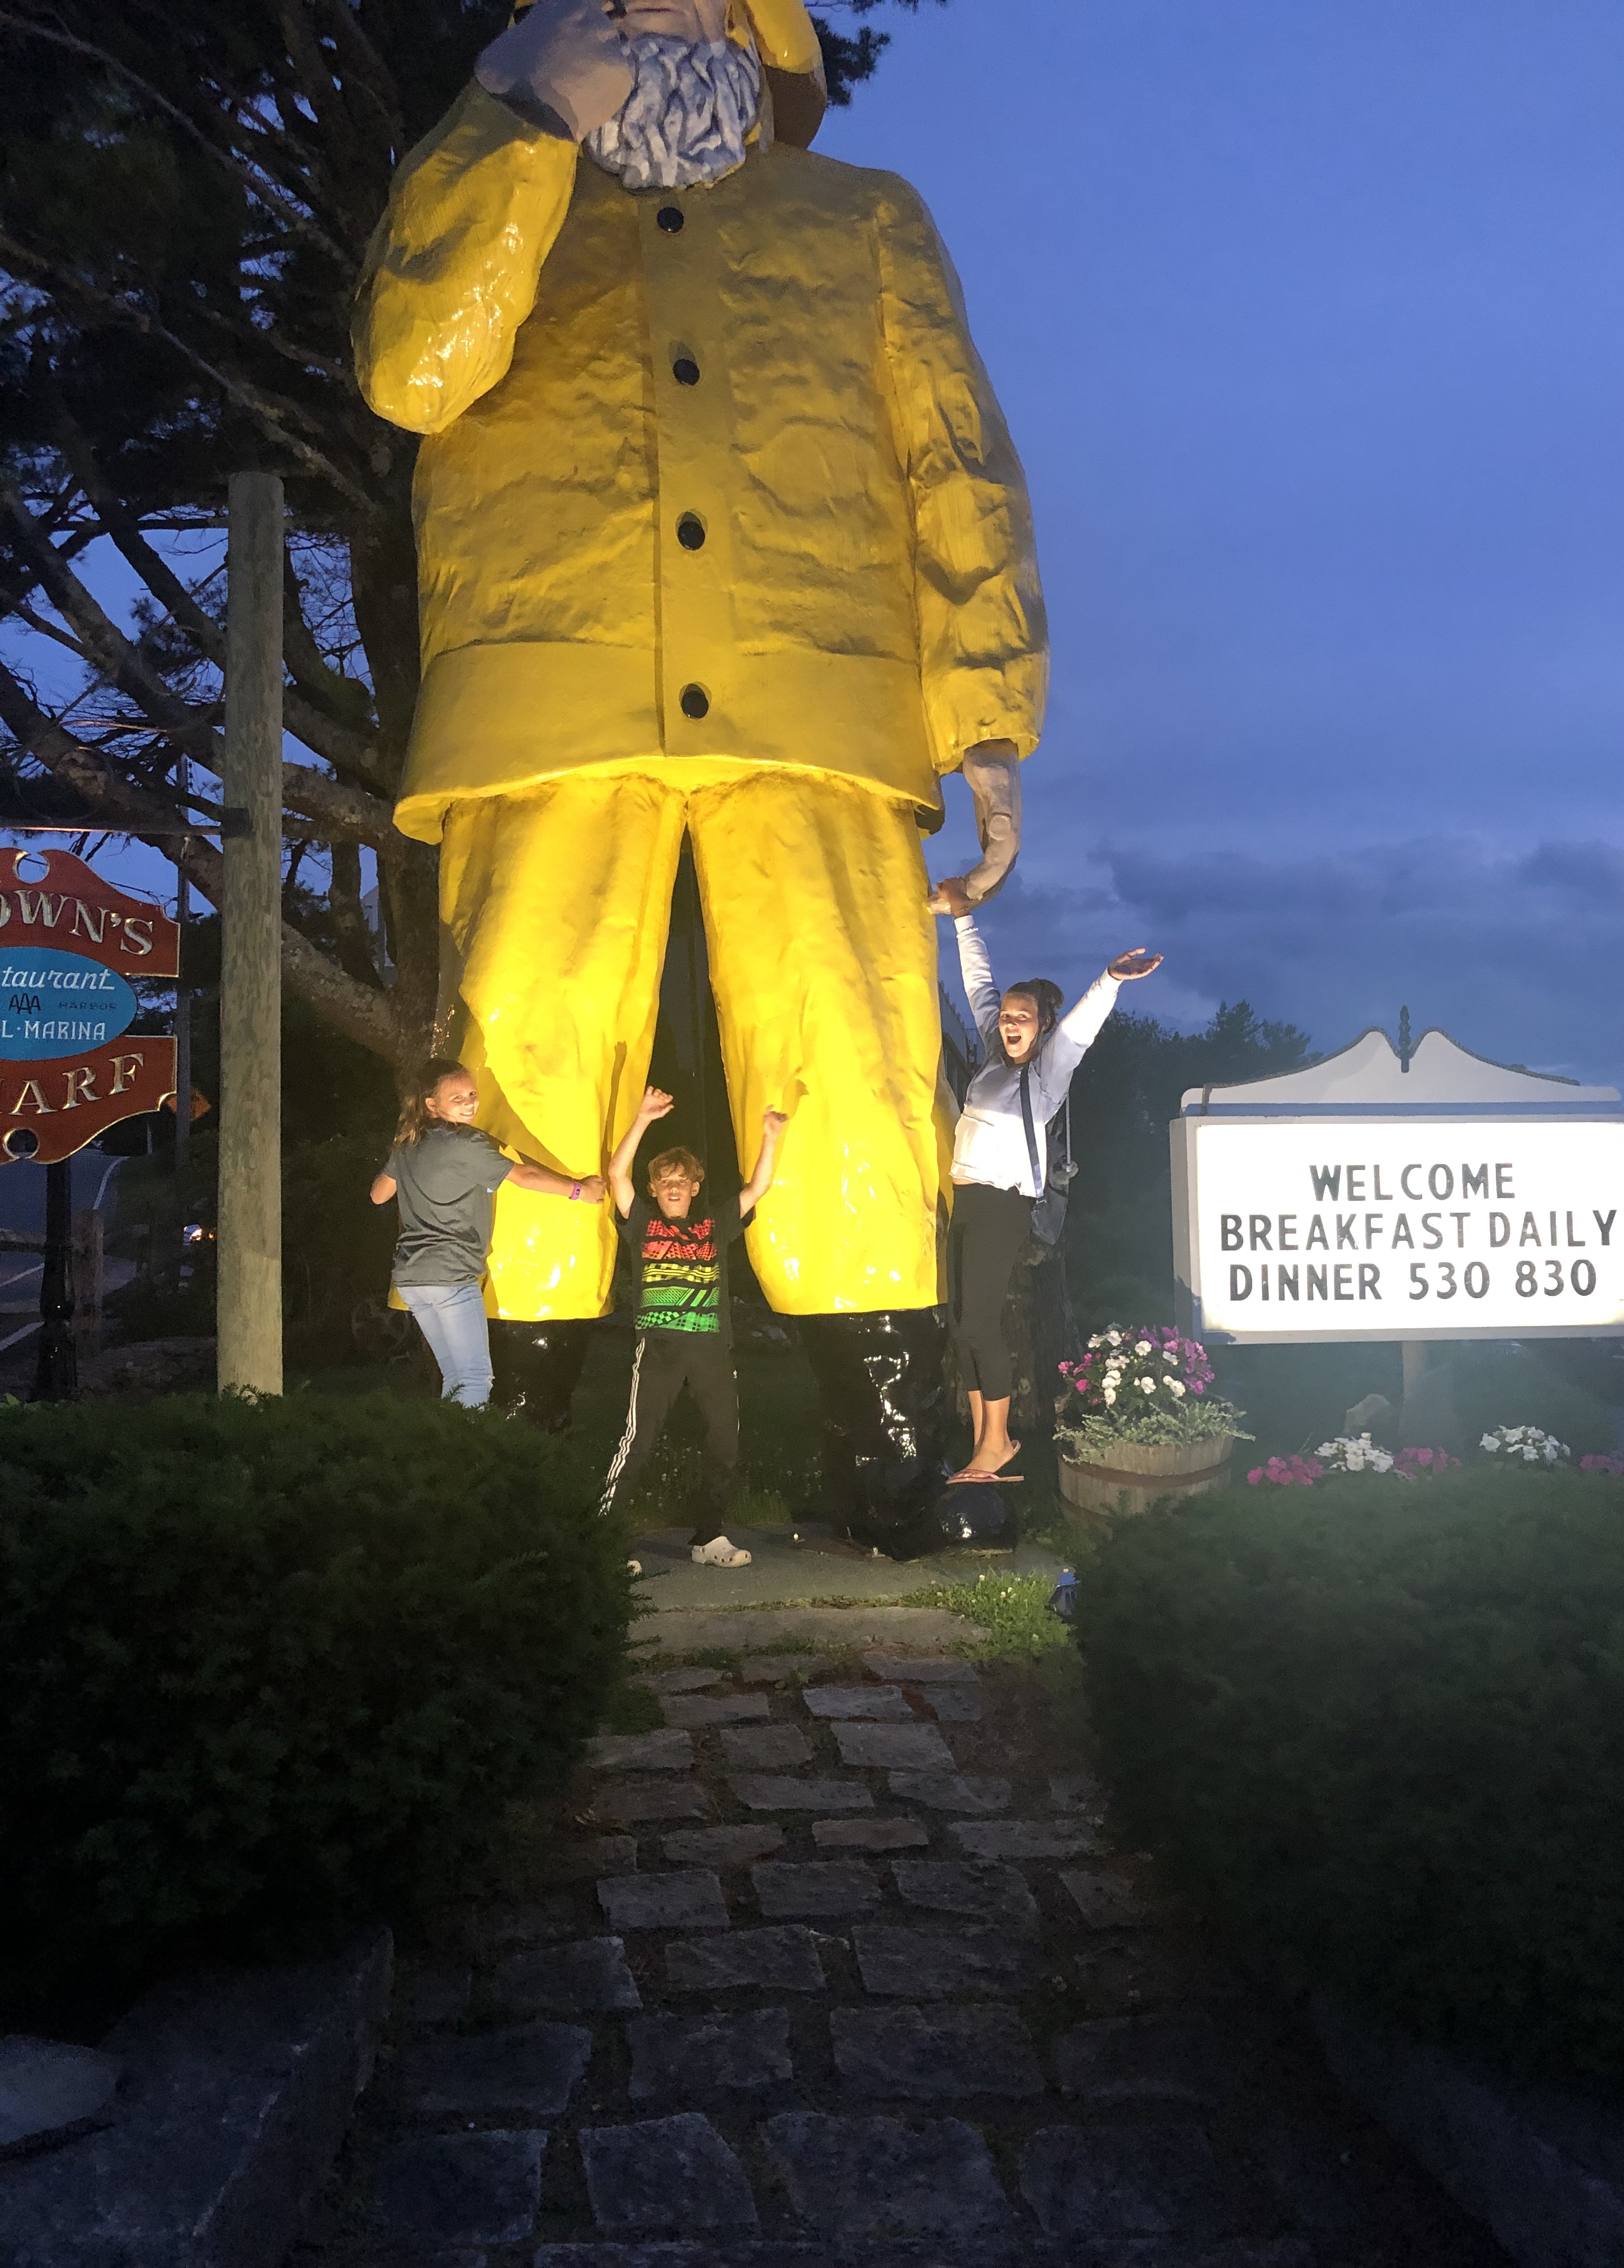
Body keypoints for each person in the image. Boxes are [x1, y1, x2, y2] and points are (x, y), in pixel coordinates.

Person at [351, 0, 1045, 1553]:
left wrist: (988, 717)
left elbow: (958, 463)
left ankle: (892, 1451)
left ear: (758, 29)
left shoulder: (866, 217)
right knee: (524, 1048)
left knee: (854, 1058)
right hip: (545, 688)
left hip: (827, 693)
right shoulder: (491, 173)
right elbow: (411, 371)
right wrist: (519, 119)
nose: (655, 7)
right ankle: (500, 1458)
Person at [935, 881, 1162, 1480]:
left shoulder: (1045, 1076)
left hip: (1003, 1204)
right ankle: (985, 1444)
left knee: (980, 1324)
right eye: (1008, 1017)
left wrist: (1109, 980)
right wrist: (962, 919)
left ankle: (999, 1442)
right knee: (962, 1326)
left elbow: (1080, 1031)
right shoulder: (993, 1057)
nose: (1011, 1023)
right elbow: (979, 985)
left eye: (1023, 1018)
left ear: (1041, 1027)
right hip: (967, 1200)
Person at [598, 1086, 786, 1566]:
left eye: (682, 1181)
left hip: (711, 1350)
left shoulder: (713, 1226)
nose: (674, 1188)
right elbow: (616, 1174)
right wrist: (643, 1118)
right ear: (654, 1190)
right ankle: (600, 1540)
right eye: (665, 1182)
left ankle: (708, 1538)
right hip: (660, 1349)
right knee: (638, 1442)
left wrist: (770, 1138)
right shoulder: (642, 1223)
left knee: (725, 1440)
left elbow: (757, 1189)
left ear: (695, 1188)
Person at [371, 1059, 605, 1407]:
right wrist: (580, 1191)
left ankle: (449, 1437)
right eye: (457, 1099)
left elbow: (379, 1195)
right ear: (431, 1104)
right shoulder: (466, 1143)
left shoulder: (408, 1144)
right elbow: (525, 1177)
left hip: (413, 1278)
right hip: (451, 1275)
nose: (469, 1104)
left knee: (455, 1377)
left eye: (472, 1095)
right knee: (475, 1379)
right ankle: (471, 1440)